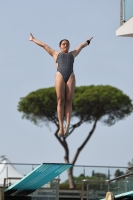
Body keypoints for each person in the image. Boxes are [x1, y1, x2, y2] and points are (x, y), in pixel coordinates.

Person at [29, 33, 93, 137]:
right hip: (60, 74)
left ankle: (67, 127)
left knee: (68, 101)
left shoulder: (73, 54)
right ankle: (60, 126)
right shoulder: (55, 53)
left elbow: (81, 46)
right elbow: (44, 45)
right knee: (60, 100)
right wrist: (33, 39)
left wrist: (88, 41)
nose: (65, 46)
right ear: (60, 46)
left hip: (70, 75)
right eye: (63, 44)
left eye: (67, 44)